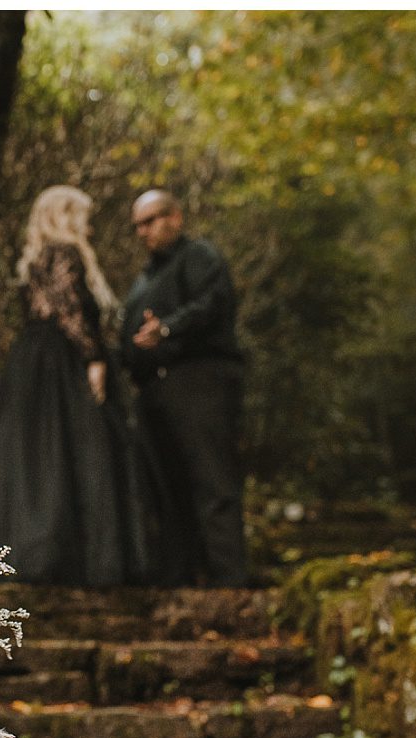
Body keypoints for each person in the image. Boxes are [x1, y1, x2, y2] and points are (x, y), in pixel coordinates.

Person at [0, 185, 156, 586]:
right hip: (61, 359)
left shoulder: (35, 257)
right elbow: (70, 311)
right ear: (65, 216)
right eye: (82, 215)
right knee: (81, 449)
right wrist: (94, 359)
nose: (88, 225)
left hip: (31, 361)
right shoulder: (65, 254)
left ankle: (35, 553)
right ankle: (78, 560)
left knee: (38, 457)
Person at [119, 189, 250, 587]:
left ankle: (230, 582)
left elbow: (215, 303)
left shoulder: (199, 256)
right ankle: (179, 579)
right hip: (153, 391)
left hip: (199, 380)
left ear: (175, 217)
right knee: (166, 488)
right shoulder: (145, 277)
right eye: (138, 225)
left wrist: (168, 328)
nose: (144, 231)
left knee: (212, 480)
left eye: (151, 220)